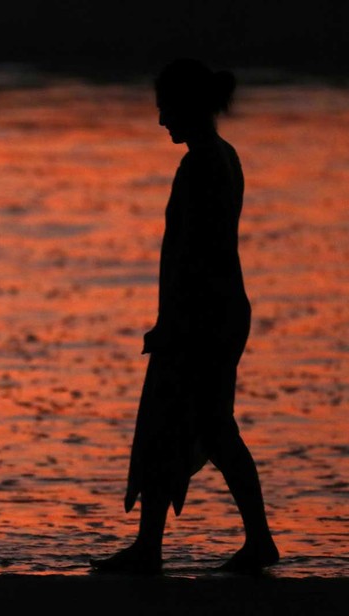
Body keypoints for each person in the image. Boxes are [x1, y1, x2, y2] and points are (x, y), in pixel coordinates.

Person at [91, 59, 279, 574]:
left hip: (203, 315)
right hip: (218, 310)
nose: (161, 121)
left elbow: (193, 255)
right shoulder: (224, 157)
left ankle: (164, 548)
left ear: (188, 107)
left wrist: (173, 321)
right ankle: (160, 545)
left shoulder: (203, 166)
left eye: (166, 109)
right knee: (192, 423)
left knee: (187, 422)